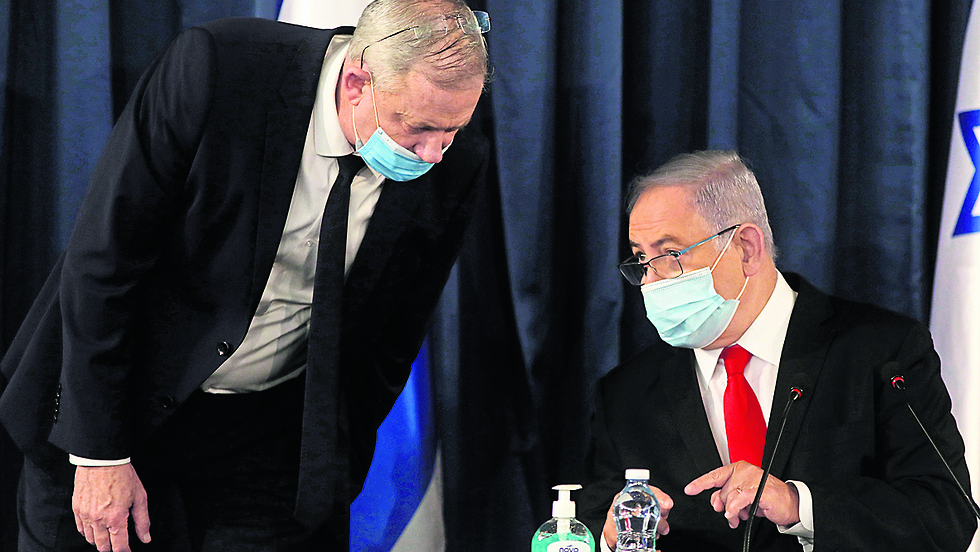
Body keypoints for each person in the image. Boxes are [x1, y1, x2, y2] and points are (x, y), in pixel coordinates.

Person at [0, 1, 490, 550]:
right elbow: (105, 262)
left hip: (267, 440)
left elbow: (395, 335)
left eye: (451, 130)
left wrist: (332, 465)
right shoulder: (222, 71)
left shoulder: (456, 158)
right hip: (117, 406)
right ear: (357, 82)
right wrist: (99, 452)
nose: (433, 153)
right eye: (418, 129)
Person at [578, 150, 977, 551]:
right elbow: (592, 523)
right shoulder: (626, 395)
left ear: (747, 248)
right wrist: (611, 536)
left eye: (670, 255)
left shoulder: (881, 352)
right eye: (643, 259)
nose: (651, 281)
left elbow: (946, 514)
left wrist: (797, 504)